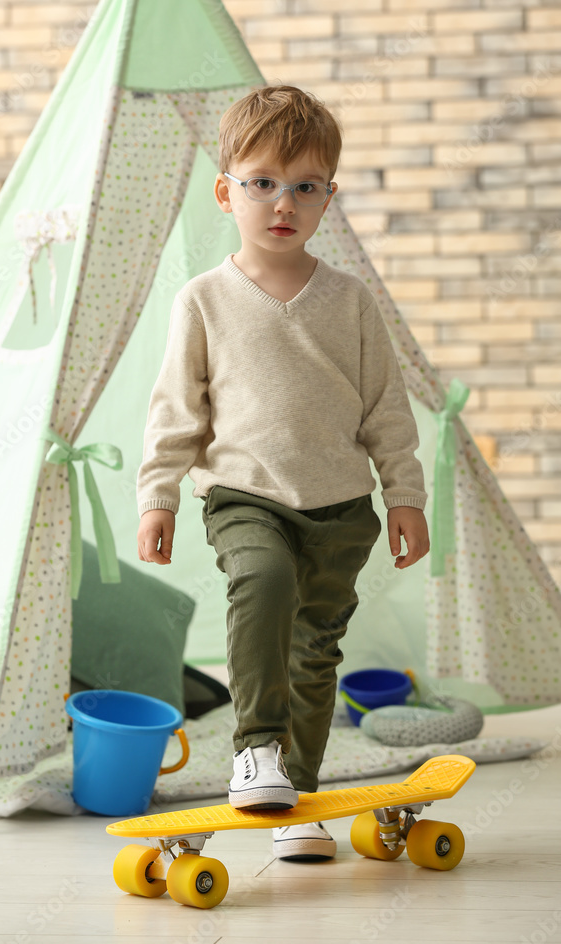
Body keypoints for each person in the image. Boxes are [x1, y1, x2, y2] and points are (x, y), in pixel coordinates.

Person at [137, 84, 430, 861]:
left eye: (304, 187)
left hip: (340, 507)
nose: (282, 203)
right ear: (225, 191)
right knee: (261, 584)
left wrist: (404, 496)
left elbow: (386, 413)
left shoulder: (351, 302)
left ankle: (296, 795)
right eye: (262, 182)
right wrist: (157, 496)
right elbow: (175, 411)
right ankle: (254, 749)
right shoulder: (202, 301)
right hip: (244, 496)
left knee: (316, 647)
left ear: (327, 198)